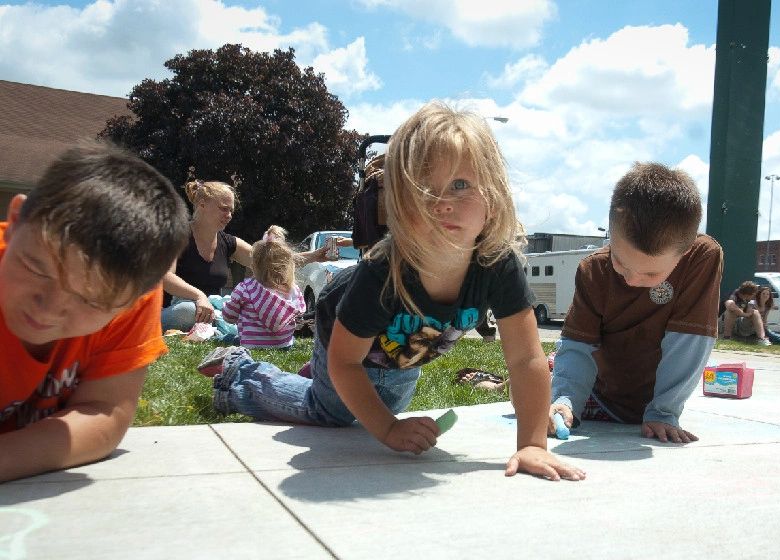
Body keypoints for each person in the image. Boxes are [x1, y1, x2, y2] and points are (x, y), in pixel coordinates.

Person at [201, 101, 585, 482]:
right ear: (400, 200)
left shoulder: (497, 265)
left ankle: (318, 379)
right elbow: (346, 362)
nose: (442, 203)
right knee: (331, 412)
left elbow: (526, 360)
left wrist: (532, 444)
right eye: (424, 190)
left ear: (494, 194)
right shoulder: (383, 272)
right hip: (344, 337)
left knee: (388, 402)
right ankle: (240, 374)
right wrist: (387, 430)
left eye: (461, 184)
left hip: (402, 353)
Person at [0, 143, 189, 482]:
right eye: (37, 268)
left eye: (90, 301)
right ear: (15, 221)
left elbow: (104, 412)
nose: (50, 308)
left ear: (137, 298)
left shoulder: (131, 293)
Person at [548, 162, 722, 445]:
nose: (632, 280)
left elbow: (690, 340)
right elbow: (578, 347)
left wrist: (663, 412)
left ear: (685, 251)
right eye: (619, 261)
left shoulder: (703, 257)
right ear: (610, 235)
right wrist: (566, 401)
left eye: (652, 273)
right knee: (532, 393)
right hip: (599, 394)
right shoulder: (593, 270)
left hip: (649, 399)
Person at [161, 181, 336, 332]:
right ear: (202, 203)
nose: (229, 215)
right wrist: (199, 296)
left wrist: (314, 256)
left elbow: (271, 262)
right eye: (223, 208)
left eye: (231, 211)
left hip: (212, 311)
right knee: (188, 310)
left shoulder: (229, 242)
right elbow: (166, 278)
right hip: (177, 308)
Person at [217, 226, 305, 350]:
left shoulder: (245, 288)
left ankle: (215, 338)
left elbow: (229, 317)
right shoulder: (293, 290)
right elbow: (298, 316)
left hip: (251, 345)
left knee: (229, 338)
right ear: (288, 265)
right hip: (284, 346)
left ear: (253, 265)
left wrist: (226, 309)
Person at [720, 281, 771, 346]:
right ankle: (726, 337)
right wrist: (745, 314)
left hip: (739, 324)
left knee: (755, 312)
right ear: (748, 294)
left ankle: (761, 339)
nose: (754, 296)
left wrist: (750, 312)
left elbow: (748, 311)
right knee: (731, 311)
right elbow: (730, 306)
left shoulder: (746, 299)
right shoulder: (733, 295)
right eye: (753, 294)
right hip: (722, 322)